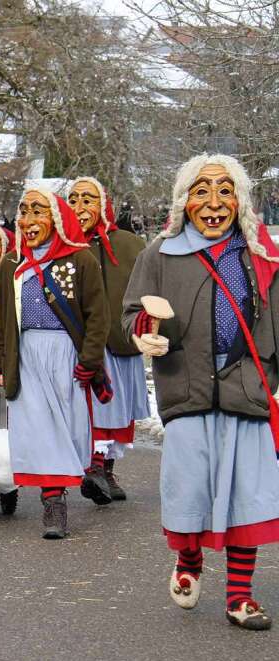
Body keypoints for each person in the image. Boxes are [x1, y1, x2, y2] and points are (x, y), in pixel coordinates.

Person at [123, 154, 279, 631]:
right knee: (189, 489)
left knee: (245, 496)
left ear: (241, 200)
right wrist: (144, 328)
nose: (213, 203)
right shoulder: (160, 254)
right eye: (201, 191)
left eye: (225, 190)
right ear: (184, 201)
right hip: (186, 387)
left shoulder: (261, 255)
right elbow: (132, 312)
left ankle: (239, 596)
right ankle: (189, 559)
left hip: (246, 388)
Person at [0, 187, 109, 539]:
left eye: (38, 211)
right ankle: (53, 503)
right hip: (25, 355)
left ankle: (81, 472)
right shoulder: (11, 264)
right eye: (23, 211)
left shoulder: (81, 260)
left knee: (68, 426)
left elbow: (97, 315)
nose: (27, 220)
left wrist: (89, 359)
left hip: (65, 353)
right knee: (39, 428)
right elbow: (0, 320)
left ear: (56, 219)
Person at [67, 177, 149, 504]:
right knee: (95, 409)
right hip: (84, 343)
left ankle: (106, 469)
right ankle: (95, 468)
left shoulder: (130, 245)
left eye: (88, 199)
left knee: (118, 408)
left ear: (103, 205)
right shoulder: (63, 246)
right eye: (73, 200)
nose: (80, 207)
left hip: (120, 340)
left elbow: (148, 287)